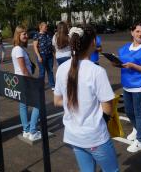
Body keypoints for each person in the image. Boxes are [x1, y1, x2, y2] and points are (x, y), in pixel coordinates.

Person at [53, 26, 119, 172]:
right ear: (93, 42)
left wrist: (74, 103)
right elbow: (108, 107)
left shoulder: (62, 68)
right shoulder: (97, 71)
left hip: (73, 136)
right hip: (95, 136)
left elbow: (57, 101)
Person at [116, 22, 141, 153]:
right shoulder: (126, 47)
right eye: (137, 31)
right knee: (128, 111)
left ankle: (140, 140)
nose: (140, 34)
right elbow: (123, 63)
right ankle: (137, 129)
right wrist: (115, 63)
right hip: (127, 84)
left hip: (140, 85)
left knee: (138, 113)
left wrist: (132, 66)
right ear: (132, 32)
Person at [11, 25, 41, 141]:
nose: (26, 36)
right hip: (24, 80)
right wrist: (32, 81)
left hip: (20, 80)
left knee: (23, 105)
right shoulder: (18, 49)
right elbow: (23, 69)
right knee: (38, 103)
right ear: (18, 35)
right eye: (23, 34)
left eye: (26, 33)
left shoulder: (18, 48)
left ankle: (26, 130)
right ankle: (32, 131)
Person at [33, 22, 55, 89]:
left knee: (50, 70)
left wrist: (55, 53)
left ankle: (52, 85)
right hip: (42, 55)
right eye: (45, 27)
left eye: (47, 27)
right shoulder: (36, 35)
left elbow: (52, 45)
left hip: (50, 55)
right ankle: (41, 86)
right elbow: (35, 47)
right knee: (42, 71)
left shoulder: (49, 34)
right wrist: (38, 56)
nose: (46, 28)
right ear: (41, 27)